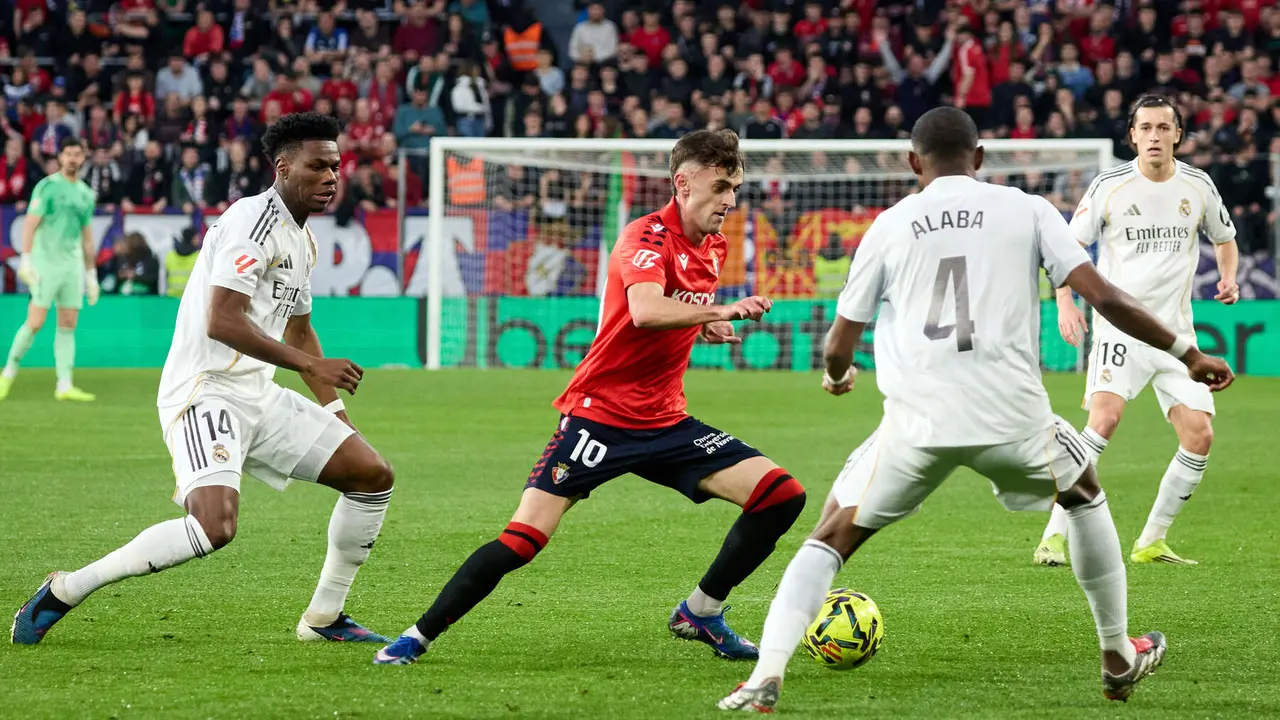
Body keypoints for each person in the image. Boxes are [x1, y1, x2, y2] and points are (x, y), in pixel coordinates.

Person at [717, 107, 1234, 712]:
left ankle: (766, 675)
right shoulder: (1028, 208)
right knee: (1084, 493)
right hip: (1015, 419)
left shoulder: (890, 224)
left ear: (914, 164)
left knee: (831, 535)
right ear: (981, 156)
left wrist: (838, 377)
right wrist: (1186, 351)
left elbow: (838, 341)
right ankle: (1118, 653)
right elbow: (1106, 297)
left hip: (917, 423)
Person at [374, 129, 808, 665]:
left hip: (667, 422)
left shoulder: (713, 245)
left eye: (735, 188)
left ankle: (700, 611)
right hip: (598, 420)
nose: (731, 201)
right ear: (682, 182)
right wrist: (720, 311)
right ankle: (416, 637)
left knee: (781, 495)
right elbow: (647, 310)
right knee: (522, 540)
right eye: (720, 187)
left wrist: (702, 328)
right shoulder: (644, 238)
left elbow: (670, 315)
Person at [12, 113, 396, 646]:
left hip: (259, 395)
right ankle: (66, 588)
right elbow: (223, 319)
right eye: (318, 166)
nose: (332, 176)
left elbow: (302, 332)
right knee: (214, 527)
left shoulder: (303, 241)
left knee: (372, 475)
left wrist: (336, 415)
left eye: (336, 166)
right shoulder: (251, 222)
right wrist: (308, 367)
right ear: (283, 168)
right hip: (205, 390)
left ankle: (324, 618)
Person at [1034, 94, 1239, 568]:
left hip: (1177, 338)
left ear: (1177, 135)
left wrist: (1229, 277)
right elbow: (1066, 248)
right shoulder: (1109, 186)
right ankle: (1053, 537)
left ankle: (1151, 541)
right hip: (1119, 329)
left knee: (1199, 435)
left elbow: (1225, 240)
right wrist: (1065, 300)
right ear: (1132, 136)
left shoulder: (1199, 185)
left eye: (1163, 128)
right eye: (1145, 128)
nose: (1153, 136)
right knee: (1103, 422)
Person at [0, 138, 99, 402]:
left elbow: (87, 238)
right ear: (60, 157)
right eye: (68, 154)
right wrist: (26, 259)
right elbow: (30, 224)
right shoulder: (46, 187)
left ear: (83, 158)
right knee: (35, 322)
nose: (73, 159)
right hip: (45, 264)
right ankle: (7, 373)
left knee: (68, 324)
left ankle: (64, 385)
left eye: (77, 154)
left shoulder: (86, 194)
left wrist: (91, 275)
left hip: (71, 265)